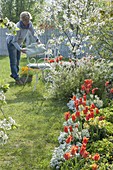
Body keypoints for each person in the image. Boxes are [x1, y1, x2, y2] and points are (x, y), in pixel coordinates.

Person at [6, 11, 40, 85]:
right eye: (26, 21)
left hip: (19, 43)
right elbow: (14, 41)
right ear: (22, 20)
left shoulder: (29, 24)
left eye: (29, 20)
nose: (28, 22)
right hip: (12, 43)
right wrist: (20, 49)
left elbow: (33, 33)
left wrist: (37, 40)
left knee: (18, 59)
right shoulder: (17, 27)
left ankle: (14, 74)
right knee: (13, 60)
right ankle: (16, 77)